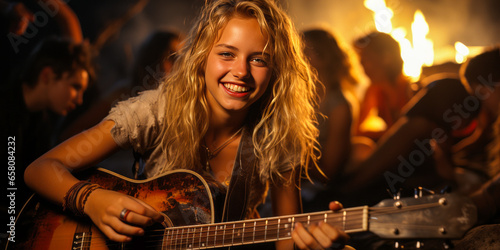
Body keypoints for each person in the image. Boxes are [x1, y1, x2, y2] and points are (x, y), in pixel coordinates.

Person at [24, 0, 350, 249]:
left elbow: (286, 237)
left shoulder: (278, 135)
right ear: (201, 57)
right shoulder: (157, 110)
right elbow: (39, 169)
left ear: (277, 69)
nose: (241, 71)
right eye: (226, 54)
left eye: (259, 59)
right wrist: (92, 201)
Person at [302, 28, 359, 181]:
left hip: (314, 187)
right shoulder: (299, 98)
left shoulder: (339, 106)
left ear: (324, 58)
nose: (296, 57)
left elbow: (329, 171)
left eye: (305, 51)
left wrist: (285, 158)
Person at [353, 31, 413, 142]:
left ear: (387, 58)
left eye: (366, 57)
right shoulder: (374, 91)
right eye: (360, 60)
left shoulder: (411, 90)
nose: (361, 64)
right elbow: (354, 131)